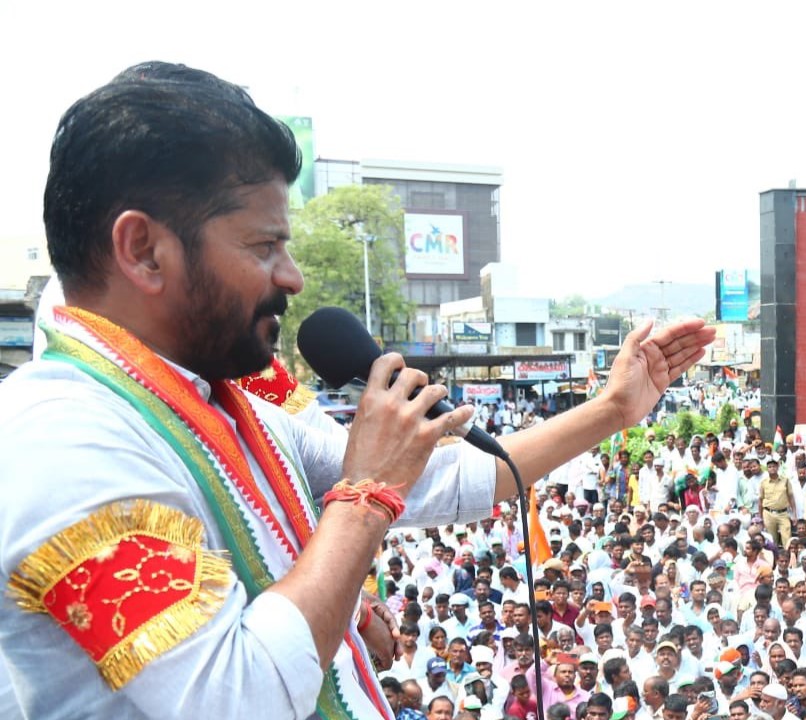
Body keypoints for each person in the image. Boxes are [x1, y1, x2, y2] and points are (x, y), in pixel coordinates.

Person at [0, 62, 714, 719]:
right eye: (261, 247)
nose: (292, 278)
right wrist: (365, 496)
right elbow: (234, 701)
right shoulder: (64, 442)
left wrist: (615, 407)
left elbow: (463, 479)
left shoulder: (221, 407)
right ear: (143, 250)